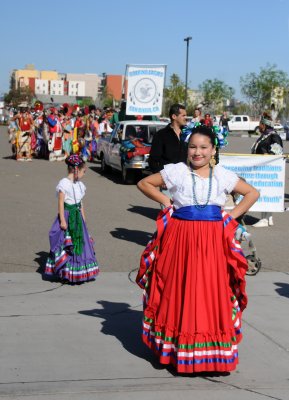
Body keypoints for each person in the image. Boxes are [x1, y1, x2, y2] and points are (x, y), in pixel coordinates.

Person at [136, 125, 259, 374]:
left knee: (210, 291)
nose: (197, 152)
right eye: (193, 147)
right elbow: (145, 183)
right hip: (180, 239)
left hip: (213, 241)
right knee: (178, 288)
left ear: (213, 149)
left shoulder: (222, 175)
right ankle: (178, 350)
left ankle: (209, 354)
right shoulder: (178, 172)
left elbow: (251, 193)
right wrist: (167, 202)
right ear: (187, 149)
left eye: (203, 147)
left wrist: (230, 218)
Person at [45, 154, 99, 283]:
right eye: (83, 171)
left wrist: (84, 219)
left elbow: (80, 204)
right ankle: (67, 272)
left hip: (78, 218)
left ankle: (79, 272)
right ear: (76, 170)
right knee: (68, 244)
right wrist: (63, 220)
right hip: (68, 216)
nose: (84, 174)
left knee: (81, 244)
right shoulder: (64, 183)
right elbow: (61, 202)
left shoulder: (79, 185)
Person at [251, 111, 283, 228]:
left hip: (268, 171)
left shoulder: (273, 136)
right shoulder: (264, 136)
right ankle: (268, 217)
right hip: (261, 170)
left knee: (265, 193)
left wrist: (267, 156)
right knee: (263, 193)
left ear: (264, 125)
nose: (259, 126)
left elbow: (278, 151)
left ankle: (265, 219)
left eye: (260, 124)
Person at [148, 103, 188, 173]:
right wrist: (160, 178)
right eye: (183, 115)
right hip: (167, 179)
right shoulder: (161, 135)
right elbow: (153, 160)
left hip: (185, 178)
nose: (186, 118)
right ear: (174, 116)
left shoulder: (188, 134)